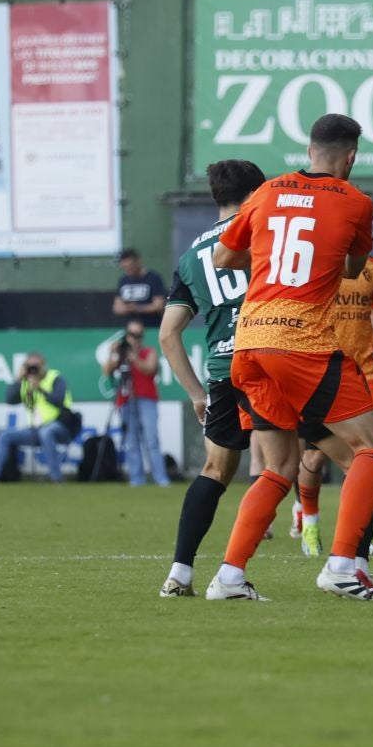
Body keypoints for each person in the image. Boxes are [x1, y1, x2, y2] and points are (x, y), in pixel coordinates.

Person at [207, 113, 373, 602]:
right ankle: (340, 567)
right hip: (302, 343)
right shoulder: (356, 202)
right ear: (351, 156)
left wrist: (269, 255)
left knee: (280, 465)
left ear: (309, 149)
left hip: (249, 345)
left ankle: (229, 576)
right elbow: (355, 267)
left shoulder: (266, 192)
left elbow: (223, 258)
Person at [156, 158, 271, 598]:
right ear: (254, 194)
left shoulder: (190, 258)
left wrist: (195, 393)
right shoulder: (262, 229)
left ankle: (180, 573)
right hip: (269, 357)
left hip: (223, 371)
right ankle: (347, 561)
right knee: (306, 460)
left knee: (216, 470)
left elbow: (168, 334)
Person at [291, 253, 373, 562]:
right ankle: (309, 523)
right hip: (324, 373)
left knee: (371, 457)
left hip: (365, 373)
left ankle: (358, 538)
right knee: (313, 457)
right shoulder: (316, 262)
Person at [0, 353, 78, 483]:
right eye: (30, 366)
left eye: (36, 366)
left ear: (44, 366)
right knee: (4, 435)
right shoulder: (25, 383)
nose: (33, 370)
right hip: (35, 429)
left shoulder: (55, 378)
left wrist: (39, 389)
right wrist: (18, 379)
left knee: (46, 432)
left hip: (60, 426)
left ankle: (56, 478)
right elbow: (10, 399)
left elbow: (59, 400)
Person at [107, 320, 169, 488]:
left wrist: (133, 357)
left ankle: (160, 478)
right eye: (132, 335)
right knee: (131, 440)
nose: (134, 339)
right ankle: (136, 478)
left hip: (146, 398)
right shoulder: (121, 354)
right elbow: (107, 371)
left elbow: (149, 369)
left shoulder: (148, 351)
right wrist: (114, 354)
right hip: (126, 400)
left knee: (151, 439)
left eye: (138, 335)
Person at [113, 248, 168, 321]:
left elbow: (159, 305)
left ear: (138, 261)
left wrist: (138, 308)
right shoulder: (123, 280)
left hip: (151, 325)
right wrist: (125, 308)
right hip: (130, 326)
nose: (128, 270)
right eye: (125, 267)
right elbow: (117, 307)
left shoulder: (154, 278)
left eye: (130, 266)